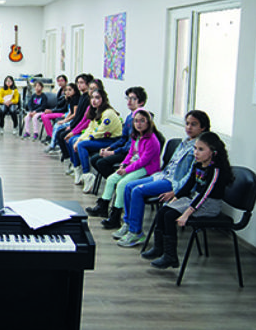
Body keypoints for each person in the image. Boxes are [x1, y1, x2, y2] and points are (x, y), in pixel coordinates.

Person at [114, 110, 211, 245]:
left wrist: (176, 192)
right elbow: (171, 164)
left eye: (193, 124)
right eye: (187, 123)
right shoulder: (184, 142)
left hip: (173, 183)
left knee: (137, 191)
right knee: (129, 186)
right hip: (164, 175)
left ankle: (136, 232)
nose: (189, 127)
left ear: (203, 128)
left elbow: (190, 177)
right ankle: (129, 223)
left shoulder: (199, 149)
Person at [142, 131, 233, 269]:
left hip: (209, 205)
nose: (196, 152)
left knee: (170, 215)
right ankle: (159, 247)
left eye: (201, 149)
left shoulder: (215, 171)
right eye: (195, 148)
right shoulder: (197, 165)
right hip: (195, 200)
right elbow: (188, 186)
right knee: (163, 211)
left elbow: (204, 194)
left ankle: (170, 256)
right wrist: (175, 198)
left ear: (213, 152)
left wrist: (186, 214)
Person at [85, 108, 162, 237]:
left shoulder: (152, 140)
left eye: (142, 121)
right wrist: (123, 164)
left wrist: (126, 170)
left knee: (122, 184)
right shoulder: (136, 136)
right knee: (111, 179)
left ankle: (115, 216)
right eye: (136, 121)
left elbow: (143, 161)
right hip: (132, 165)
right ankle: (103, 207)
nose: (138, 124)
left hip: (147, 169)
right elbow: (130, 153)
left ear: (149, 123)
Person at [89, 86, 148, 182]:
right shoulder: (130, 116)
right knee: (94, 159)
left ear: (141, 102)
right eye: (128, 98)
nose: (129, 101)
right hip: (124, 150)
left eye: (133, 99)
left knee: (101, 163)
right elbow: (123, 138)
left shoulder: (141, 121)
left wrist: (113, 152)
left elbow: (131, 146)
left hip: (132, 154)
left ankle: (116, 183)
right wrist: (110, 148)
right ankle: (114, 181)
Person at [68, 87, 122, 187]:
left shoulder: (108, 113)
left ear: (103, 99)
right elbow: (90, 129)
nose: (94, 100)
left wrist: (81, 141)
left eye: (97, 98)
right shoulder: (96, 111)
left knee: (81, 145)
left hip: (112, 141)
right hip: (101, 139)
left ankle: (87, 174)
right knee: (73, 140)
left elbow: (99, 132)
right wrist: (79, 138)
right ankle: (77, 169)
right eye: (92, 97)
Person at [54, 73, 92, 159]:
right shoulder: (82, 97)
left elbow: (82, 117)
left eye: (81, 82)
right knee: (60, 133)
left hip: (82, 126)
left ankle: (72, 159)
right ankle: (68, 156)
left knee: (63, 135)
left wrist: (72, 128)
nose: (79, 85)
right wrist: (71, 126)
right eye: (78, 83)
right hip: (76, 124)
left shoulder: (87, 98)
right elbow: (78, 114)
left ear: (87, 84)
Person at [43, 82, 80, 154]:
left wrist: (64, 121)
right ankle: (53, 143)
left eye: (70, 90)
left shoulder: (76, 99)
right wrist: (65, 120)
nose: (67, 92)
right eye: (66, 90)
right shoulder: (71, 99)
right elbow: (70, 111)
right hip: (69, 118)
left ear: (75, 91)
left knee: (57, 126)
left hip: (74, 120)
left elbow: (74, 114)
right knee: (57, 125)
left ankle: (53, 145)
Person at [40, 74, 69, 139]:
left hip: (64, 112)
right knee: (43, 115)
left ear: (66, 81)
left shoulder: (68, 92)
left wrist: (52, 111)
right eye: (58, 81)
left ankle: (52, 136)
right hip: (58, 110)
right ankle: (50, 134)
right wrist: (52, 110)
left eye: (62, 80)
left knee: (46, 117)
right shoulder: (60, 91)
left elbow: (64, 107)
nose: (60, 82)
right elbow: (58, 105)